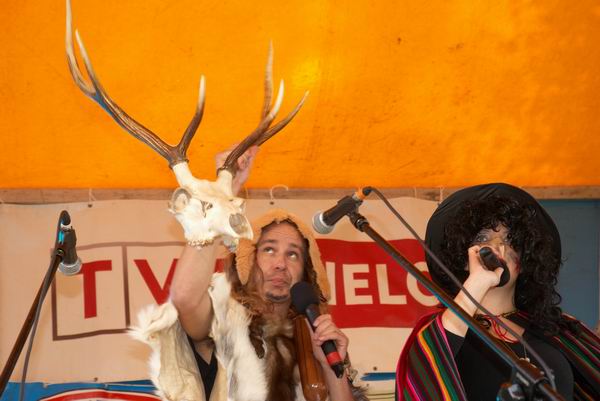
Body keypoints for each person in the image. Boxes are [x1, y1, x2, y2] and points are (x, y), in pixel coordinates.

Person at [131, 146, 365, 401]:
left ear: (306, 272)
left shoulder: (315, 337)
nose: (280, 263)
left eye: (293, 254)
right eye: (269, 250)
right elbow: (186, 299)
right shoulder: (225, 319)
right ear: (248, 260)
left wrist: (332, 368)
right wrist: (223, 198)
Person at [395, 183, 600, 401]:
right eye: (482, 239)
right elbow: (424, 373)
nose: (498, 247)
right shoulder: (440, 332)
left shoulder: (560, 330)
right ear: (463, 257)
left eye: (510, 240)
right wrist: (476, 284)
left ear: (526, 258)